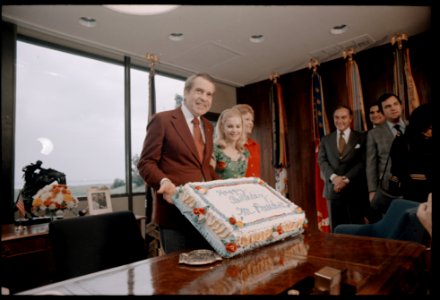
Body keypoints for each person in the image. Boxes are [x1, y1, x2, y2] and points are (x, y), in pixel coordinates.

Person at [137, 73, 220, 254]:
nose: (204, 98)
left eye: (209, 94)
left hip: (206, 216)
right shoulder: (163, 120)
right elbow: (146, 163)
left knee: (207, 273)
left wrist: (226, 188)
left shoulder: (207, 125)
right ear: (186, 92)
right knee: (180, 276)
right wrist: (164, 182)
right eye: (199, 91)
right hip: (175, 214)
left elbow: (203, 167)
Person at [318, 105, 368, 232]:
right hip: (333, 191)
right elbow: (322, 161)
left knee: (357, 229)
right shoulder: (325, 140)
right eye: (337, 117)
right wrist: (334, 179)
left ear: (350, 119)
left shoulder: (362, 137)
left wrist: (345, 179)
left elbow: (362, 162)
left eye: (344, 117)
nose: (340, 121)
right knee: (337, 231)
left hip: (355, 191)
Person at [366, 93, 407, 214]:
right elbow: (371, 165)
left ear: (401, 106)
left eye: (395, 104)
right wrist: (372, 191)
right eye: (388, 106)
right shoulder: (374, 134)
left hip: (414, 186)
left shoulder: (414, 127)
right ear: (383, 112)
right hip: (388, 189)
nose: (393, 108)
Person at [389, 102, 432, 203]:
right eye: (429, 128)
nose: (431, 131)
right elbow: (396, 169)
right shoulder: (403, 141)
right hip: (413, 194)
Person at [211, 107, 250, 179]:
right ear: (222, 127)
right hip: (219, 189)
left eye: (238, 126)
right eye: (230, 126)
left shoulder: (245, 152)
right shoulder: (215, 150)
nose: (234, 130)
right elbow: (209, 177)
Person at [233, 104, 261, 178]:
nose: (251, 123)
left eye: (252, 120)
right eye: (247, 119)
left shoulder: (255, 146)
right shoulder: (229, 145)